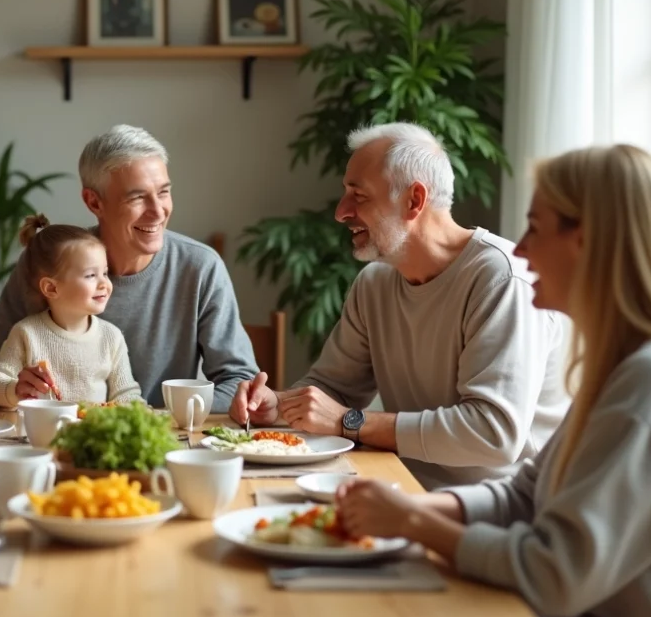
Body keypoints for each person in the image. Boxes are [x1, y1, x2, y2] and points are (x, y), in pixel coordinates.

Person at [335, 144, 651, 617]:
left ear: (586, 241)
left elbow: (554, 574)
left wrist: (414, 524)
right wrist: (416, 512)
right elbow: (523, 495)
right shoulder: (625, 366)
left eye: (536, 228)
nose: (522, 249)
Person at [231, 123, 570, 489]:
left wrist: (352, 423)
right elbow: (334, 388)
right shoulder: (375, 282)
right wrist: (278, 405)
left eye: (358, 196)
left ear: (414, 200)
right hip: (398, 485)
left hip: (499, 511)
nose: (341, 212)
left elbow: (493, 433)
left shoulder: (501, 280)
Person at [0, 124, 258, 412]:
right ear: (94, 202)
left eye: (164, 192)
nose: (158, 212)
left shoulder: (201, 267)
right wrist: (12, 388)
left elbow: (241, 384)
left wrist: (154, 420)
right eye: (137, 197)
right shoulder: (46, 265)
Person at [0, 215, 141, 407]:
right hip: (39, 435)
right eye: (91, 275)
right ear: (51, 288)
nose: (104, 283)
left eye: (105, 273)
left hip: (92, 434)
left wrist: (139, 411)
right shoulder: (27, 334)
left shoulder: (111, 337)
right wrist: (15, 389)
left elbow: (126, 392)